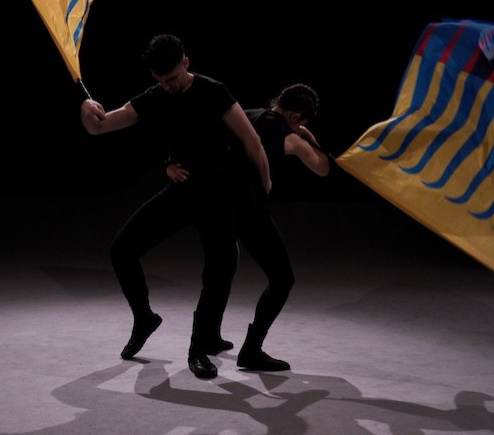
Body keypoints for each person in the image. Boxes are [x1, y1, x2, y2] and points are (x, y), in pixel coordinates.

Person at [79, 34, 271, 380]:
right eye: (161, 80)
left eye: (172, 78)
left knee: (220, 269)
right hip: (183, 190)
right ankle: (144, 318)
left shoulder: (214, 91)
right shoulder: (156, 96)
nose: (168, 86)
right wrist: (86, 111)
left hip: (217, 194)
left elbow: (252, 141)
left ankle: (199, 349)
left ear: (185, 62)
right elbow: (100, 126)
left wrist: (265, 187)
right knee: (121, 250)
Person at [166, 83, 330, 371]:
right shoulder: (289, 136)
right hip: (249, 211)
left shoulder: (242, 114)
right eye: (300, 122)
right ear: (295, 117)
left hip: (214, 204)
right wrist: (309, 136)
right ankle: (251, 350)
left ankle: (209, 339)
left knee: (220, 271)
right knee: (282, 279)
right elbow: (322, 168)